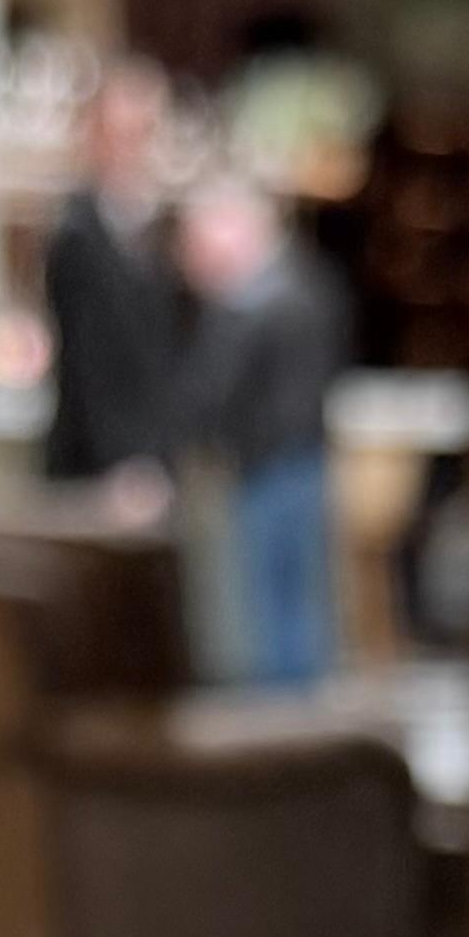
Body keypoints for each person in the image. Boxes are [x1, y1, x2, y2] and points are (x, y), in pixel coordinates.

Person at [175, 163, 351, 687]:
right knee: (299, 601)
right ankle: (301, 712)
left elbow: (210, 389)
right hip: (305, 458)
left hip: (268, 465)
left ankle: (282, 720)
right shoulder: (312, 282)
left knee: (272, 608)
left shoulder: (254, 300)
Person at [39, 58, 180, 509]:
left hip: (153, 464)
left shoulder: (162, 229)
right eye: (119, 135)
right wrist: (122, 464)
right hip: (97, 471)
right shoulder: (77, 235)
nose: (130, 149)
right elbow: (88, 362)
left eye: (143, 133)